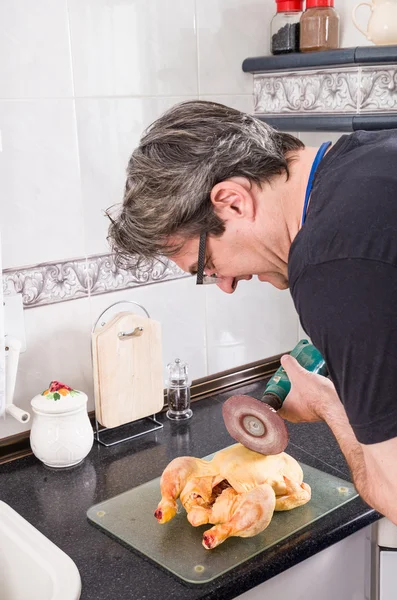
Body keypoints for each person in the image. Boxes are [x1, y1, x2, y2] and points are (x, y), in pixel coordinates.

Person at [107, 100, 397, 524]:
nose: (224, 284)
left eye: (205, 266)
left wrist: (331, 406)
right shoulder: (369, 153)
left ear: (232, 202)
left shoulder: (330, 268)